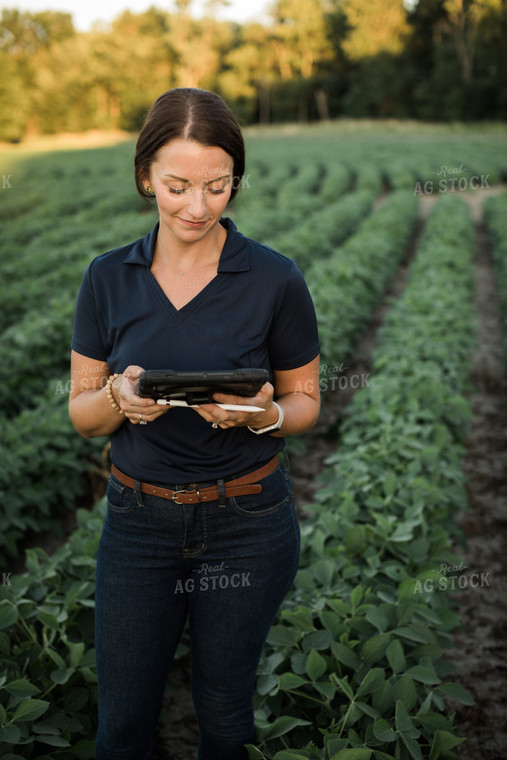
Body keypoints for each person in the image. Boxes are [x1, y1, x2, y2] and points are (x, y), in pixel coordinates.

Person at [69, 87, 320, 760]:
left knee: (225, 718)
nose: (197, 207)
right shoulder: (106, 279)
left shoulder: (274, 279)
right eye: (177, 186)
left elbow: (305, 402)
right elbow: (82, 413)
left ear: (235, 179)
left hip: (245, 523)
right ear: (145, 175)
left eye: (217, 186)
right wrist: (119, 400)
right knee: (121, 725)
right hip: (137, 524)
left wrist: (264, 415)